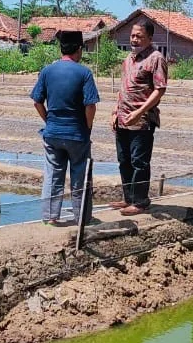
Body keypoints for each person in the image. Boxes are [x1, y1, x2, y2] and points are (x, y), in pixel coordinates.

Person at [30, 30, 100, 226]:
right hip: (77, 134)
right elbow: (91, 105)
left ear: (61, 49)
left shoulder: (47, 71)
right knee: (80, 176)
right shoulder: (84, 73)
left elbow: (37, 101)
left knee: (53, 175)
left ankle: (51, 216)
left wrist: (48, 121)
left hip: (52, 133)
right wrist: (87, 127)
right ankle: (82, 219)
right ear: (79, 49)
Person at [111, 19, 167, 216]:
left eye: (139, 36)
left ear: (149, 37)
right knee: (124, 160)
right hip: (123, 118)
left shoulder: (155, 58)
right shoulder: (128, 59)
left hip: (141, 120)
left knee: (139, 162)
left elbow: (159, 90)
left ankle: (141, 202)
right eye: (132, 36)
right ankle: (128, 198)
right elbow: (124, 88)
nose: (134, 39)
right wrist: (115, 111)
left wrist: (139, 112)